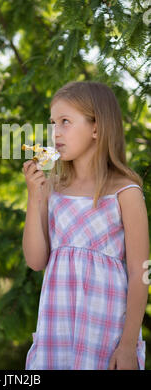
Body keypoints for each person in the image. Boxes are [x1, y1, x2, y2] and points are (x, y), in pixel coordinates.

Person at [23, 81, 149, 370]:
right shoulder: (52, 188)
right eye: (53, 123)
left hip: (107, 333)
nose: (55, 132)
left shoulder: (125, 192)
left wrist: (128, 345)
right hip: (58, 330)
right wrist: (35, 197)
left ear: (97, 128)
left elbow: (140, 272)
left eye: (65, 122)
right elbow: (35, 260)